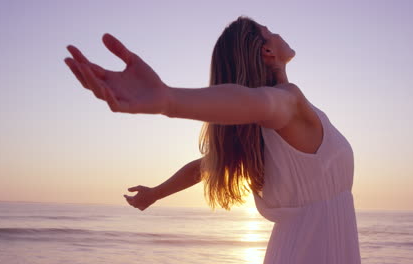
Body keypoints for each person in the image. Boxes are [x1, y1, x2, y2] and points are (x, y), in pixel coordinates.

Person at [64, 16, 361, 264]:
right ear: (267, 51)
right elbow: (257, 101)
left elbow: (202, 167)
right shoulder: (287, 101)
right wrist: (169, 100)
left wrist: (154, 194)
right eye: (269, 31)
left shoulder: (262, 133)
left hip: (297, 250)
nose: (278, 32)